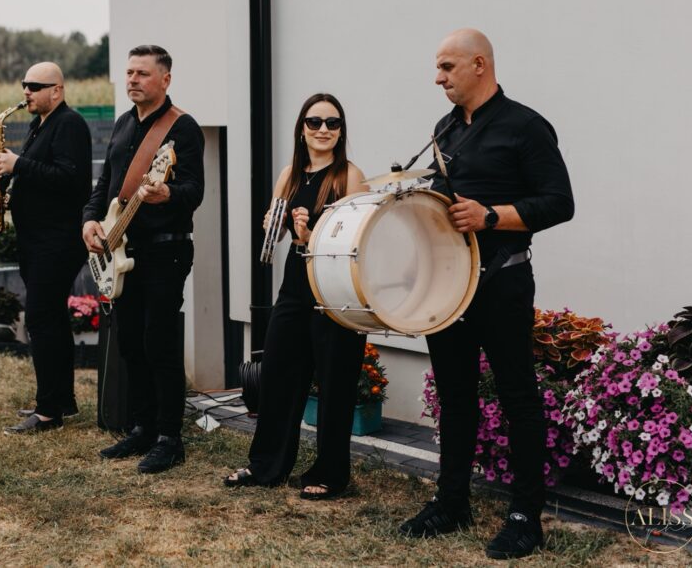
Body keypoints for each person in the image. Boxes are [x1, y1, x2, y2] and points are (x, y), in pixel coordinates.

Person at [397, 29, 574, 560]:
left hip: (503, 282)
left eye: (448, 67)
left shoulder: (526, 125)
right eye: (437, 67)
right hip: (449, 287)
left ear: (480, 64)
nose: (438, 78)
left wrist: (492, 216)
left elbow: (559, 203)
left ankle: (525, 517)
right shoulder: (445, 128)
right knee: (454, 397)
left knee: (518, 397)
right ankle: (452, 502)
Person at [223, 93, 368, 500]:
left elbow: (356, 239)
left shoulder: (349, 176)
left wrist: (311, 235)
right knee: (278, 376)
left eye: (333, 123)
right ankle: (267, 465)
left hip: (336, 289)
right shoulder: (290, 173)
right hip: (295, 285)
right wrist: (276, 224)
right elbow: (278, 235)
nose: (324, 129)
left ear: (341, 131)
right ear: (301, 129)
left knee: (336, 383)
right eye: (315, 121)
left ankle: (331, 473)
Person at [82, 45, 204, 473]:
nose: (132, 79)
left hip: (165, 251)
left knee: (159, 342)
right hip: (121, 251)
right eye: (129, 72)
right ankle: (142, 427)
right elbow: (104, 184)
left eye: (142, 74)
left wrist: (166, 192)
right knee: (131, 342)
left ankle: (171, 437)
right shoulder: (121, 124)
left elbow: (195, 191)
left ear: (165, 79)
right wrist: (89, 221)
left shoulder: (183, 129)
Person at [0, 62, 92, 434]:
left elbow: (72, 180)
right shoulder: (40, 124)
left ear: (58, 90)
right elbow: (42, 176)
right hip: (37, 241)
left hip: (57, 242)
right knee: (52, 321)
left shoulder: (70, 124)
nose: (26, 92)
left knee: (40, 319)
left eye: (35, 85)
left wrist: (18, 165)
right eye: (24, 85)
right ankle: (61, 399)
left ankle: (48, 412)